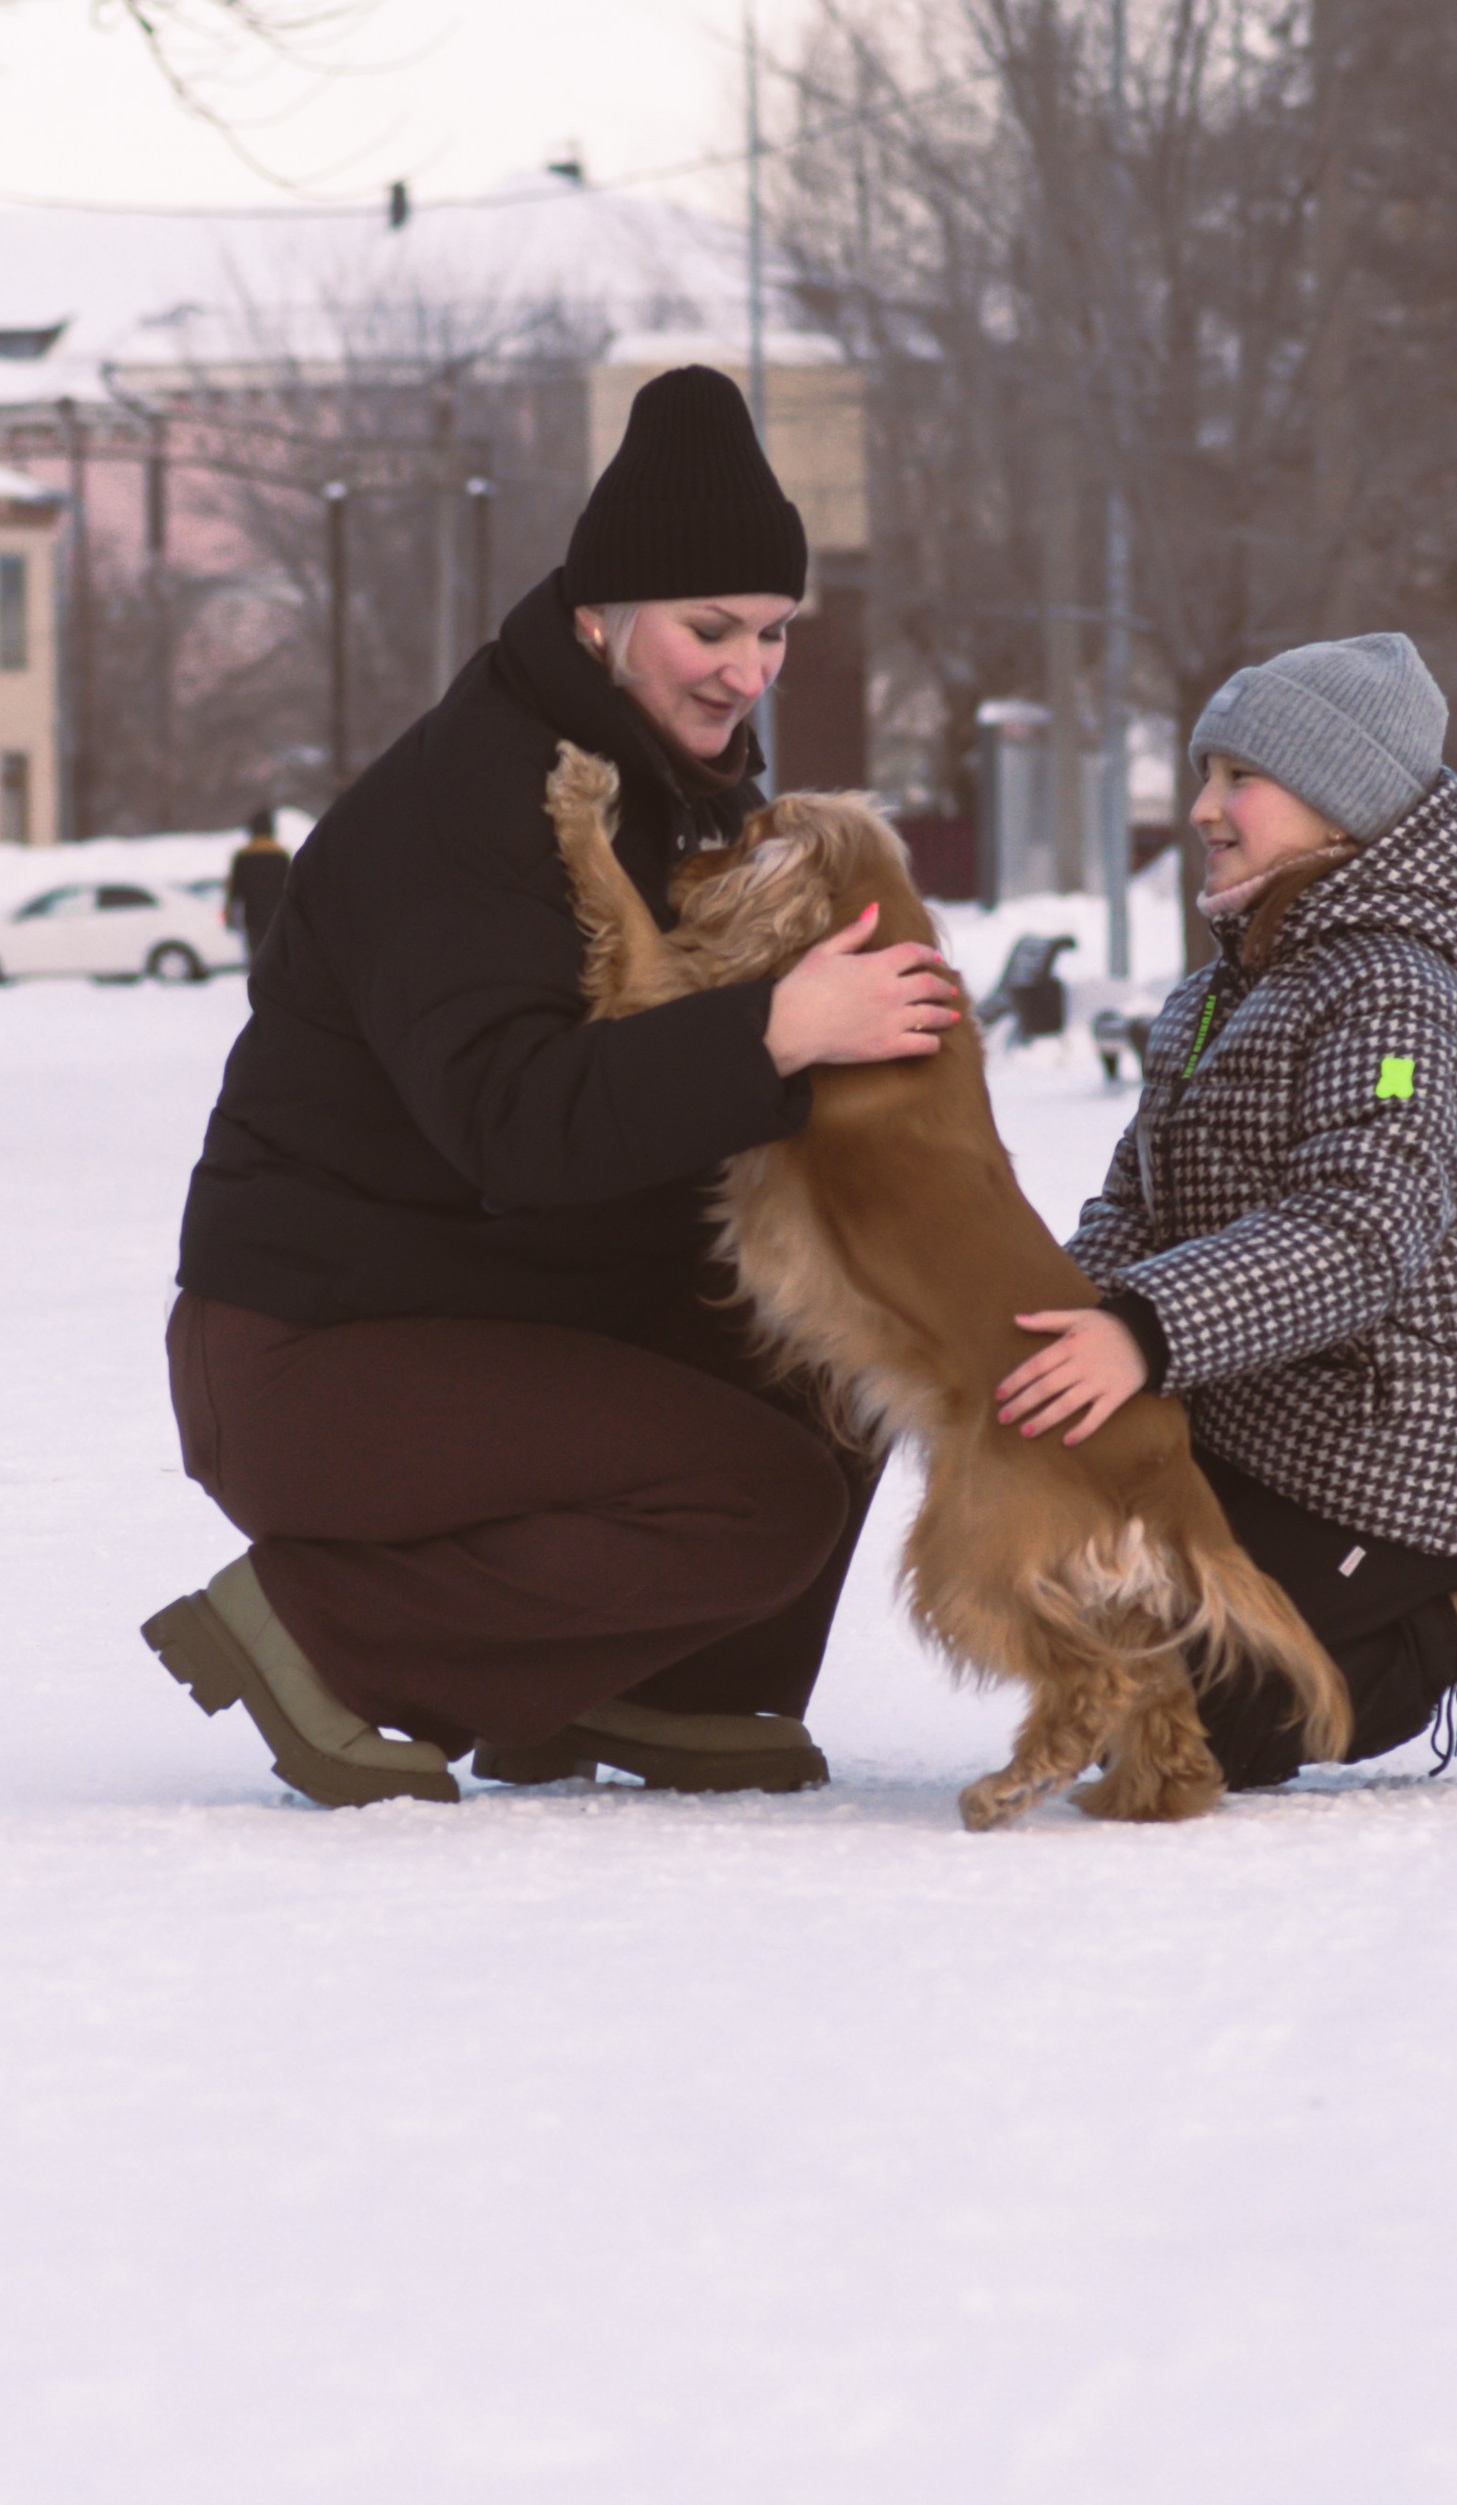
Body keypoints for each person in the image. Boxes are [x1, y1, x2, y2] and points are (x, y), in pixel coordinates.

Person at [144, 366, 960, 1809]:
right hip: (320, 1353)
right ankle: (317, 1635)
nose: (747, 670)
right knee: (755, 1495)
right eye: (710, 628)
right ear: (599, 616)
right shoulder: (468, 804)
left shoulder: (680, 795)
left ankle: (658, 1685)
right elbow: (512, 1124)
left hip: (514, 1309)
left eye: (773, 631)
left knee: (840, 1351)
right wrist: (776, 1031)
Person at [993, 629, 1457, 1789]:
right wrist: (1052, 1321)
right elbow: (1135, 1205)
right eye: (1204, 774)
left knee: (1209, 1722)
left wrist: (1142, 1331)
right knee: (1112, 1654)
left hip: (1405, 1430)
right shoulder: (1219, 995)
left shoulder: (1399, 994)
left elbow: (1359, 1230)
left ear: (1343, 805)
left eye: (1240, 777)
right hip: (1260, 1406)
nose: (1202, 809)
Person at [224, 808, 293, 987]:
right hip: (278, 917)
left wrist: (230, 914)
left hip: (253, 916)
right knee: (279, 957)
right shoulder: (281, 855)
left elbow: (234, 890)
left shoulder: (242, 857)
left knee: (257, 957)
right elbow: (291, 889)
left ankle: (261, 989)